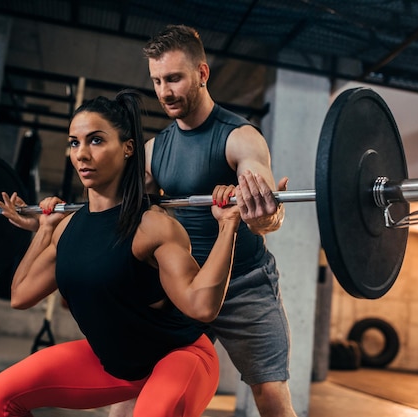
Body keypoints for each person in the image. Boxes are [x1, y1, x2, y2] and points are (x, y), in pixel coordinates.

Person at [0, 91, 242, 417]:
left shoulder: (153, 227)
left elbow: (202, 306)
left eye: (95, 141)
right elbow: (20, 295)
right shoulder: (66, 229)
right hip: (113, 365)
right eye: (74, 143)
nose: (81, 154)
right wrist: (45, 230)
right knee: (0, 394)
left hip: (179, 357)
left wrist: (228, 226)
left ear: (128, 148)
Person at [109, 25, 296, 417]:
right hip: (184, 282)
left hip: (244, 283)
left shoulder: (239, 137)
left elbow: (266, 216)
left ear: (202, 74)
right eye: (158, 81)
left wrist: (265, 215)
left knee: (271, 394)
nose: (165, 92)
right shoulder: (154, 150)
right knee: (135, 386)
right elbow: (116, 211)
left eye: (174, 78)